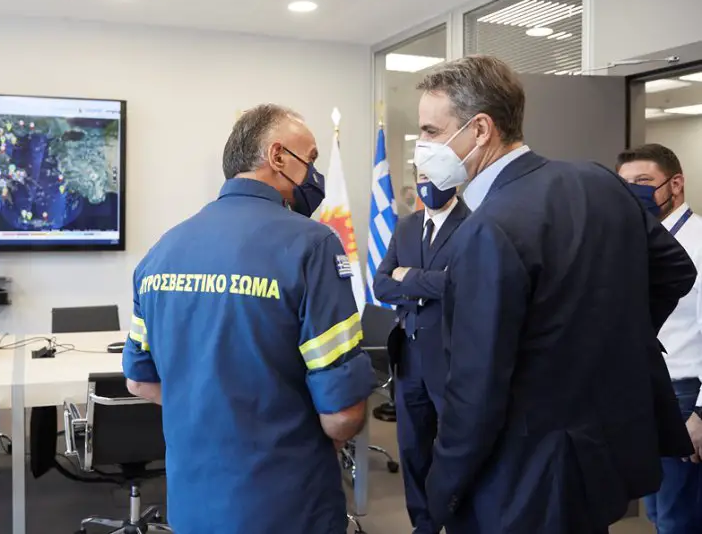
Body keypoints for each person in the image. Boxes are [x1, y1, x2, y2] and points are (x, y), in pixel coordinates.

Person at [411, 55, 697, 534]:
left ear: (480, 130)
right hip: (599, 454)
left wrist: (441, 491)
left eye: (431, 131)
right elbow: (674, 270)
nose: (421, 147)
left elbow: (475, 392)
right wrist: (606, 343)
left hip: (523, 479)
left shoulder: (488, 230)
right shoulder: (598, 180)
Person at [122, 103, 377, 534]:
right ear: (278, 156)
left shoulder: (162, 251)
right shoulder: (313, 246)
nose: (314, 174)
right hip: (286, 503)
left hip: (192, 504)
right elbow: (343, 415)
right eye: (310, 159)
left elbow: (139, 382)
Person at [373, 166, 470, 534]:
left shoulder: (473, 225)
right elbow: (381, 285)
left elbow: (462, 284)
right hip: (409, 357)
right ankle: (424, 524)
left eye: (435, 177)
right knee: (413, 448)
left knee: (456, 448)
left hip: (451, 359)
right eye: (422, 177)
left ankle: (459, 521)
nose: (427, 185)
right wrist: (427, 286)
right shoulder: (406, 226)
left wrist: (409, 277)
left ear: (455, 179)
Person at [618, 143, 702, 532]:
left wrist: (701, 412)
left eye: (643, 181)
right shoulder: (634, 241)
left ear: (676, 184)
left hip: (685, 395)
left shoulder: (698, 241)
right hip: (644, 391)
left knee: (678, 518)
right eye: (625, 184)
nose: (632, 192)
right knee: (656, 512)